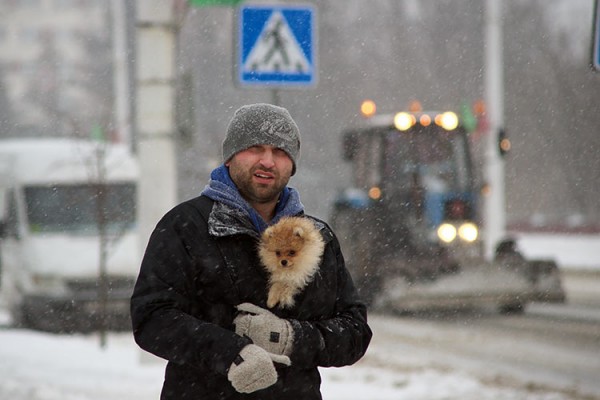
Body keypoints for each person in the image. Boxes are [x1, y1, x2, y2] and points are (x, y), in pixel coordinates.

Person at [130, 103, 372, 399]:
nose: (268, 161)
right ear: (230, 157)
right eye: (255, 148)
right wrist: (232, 352)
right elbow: (152, 319)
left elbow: (354, 332)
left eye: (280, 152)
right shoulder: (186, 226)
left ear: (292, 166)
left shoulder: (316, 238)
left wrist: (290, 338)